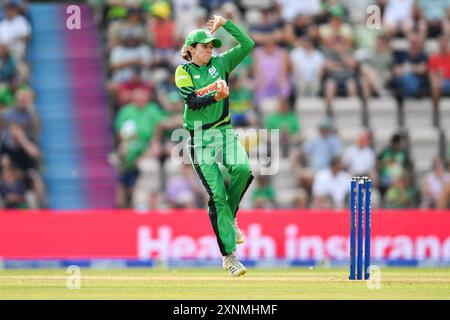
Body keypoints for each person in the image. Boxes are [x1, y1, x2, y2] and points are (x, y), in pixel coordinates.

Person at [175, 15, 255, 277]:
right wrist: (215, 93)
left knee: (243, 169)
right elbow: (192, 101)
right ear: (191, 49)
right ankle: (230, 257)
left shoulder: (220, 63)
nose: (210, 50)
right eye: (205, 46)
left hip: (224, 132)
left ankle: (230, 217)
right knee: (217, 196)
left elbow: (248, 45)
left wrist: (226, 23)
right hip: (200, 139)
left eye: (212, 46)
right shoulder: (183, 71)